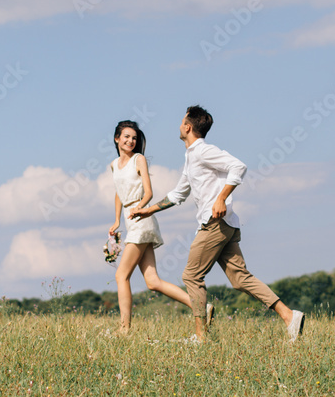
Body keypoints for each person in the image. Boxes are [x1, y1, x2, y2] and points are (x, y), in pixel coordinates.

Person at [130, 106, 305, 343]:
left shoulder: (203, 152)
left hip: (215, 223)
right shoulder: (191, 157)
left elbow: (238, 166)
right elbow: (178, 194)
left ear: (188, 127)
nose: (180, 124)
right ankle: (289, 316)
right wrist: (146, 210)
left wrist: (221, 197)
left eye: (182, 121)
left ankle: (201, 337)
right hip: (225, 225)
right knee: (240, 278)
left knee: (191, 276)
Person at [108, 120, 207, 334]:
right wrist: (116, 220)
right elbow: (118, 192)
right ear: (117, 138)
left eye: (134, 138)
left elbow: (149, 192)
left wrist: (139, 208)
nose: (131, 141)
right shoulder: (114, 165)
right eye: (126, 137)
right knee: (153, 281)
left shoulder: (139, 159)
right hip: (129, 218)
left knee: (121, 276)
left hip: (141, 219)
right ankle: (201, 307)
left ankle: (124, 329)